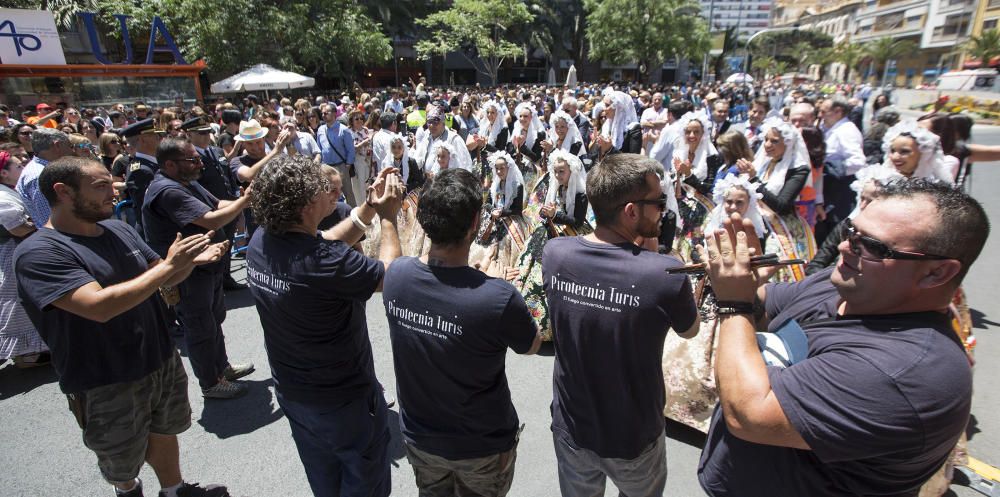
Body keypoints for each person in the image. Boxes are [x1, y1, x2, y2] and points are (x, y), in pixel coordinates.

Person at [697, 178, 983, 497]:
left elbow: (748, 414)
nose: (845, 246)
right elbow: (763, 311)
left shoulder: (904, 371)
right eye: (851, 231)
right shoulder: (848, 283)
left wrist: (733, 303)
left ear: (937, 272)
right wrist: (744, 290)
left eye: (872, 245)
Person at [14, 156, 232, 497]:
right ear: (63, 193)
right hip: (106, 377)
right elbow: (99, 307)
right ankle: (128, 491)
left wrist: (188, 263)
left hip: (159, 358)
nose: (113, 192)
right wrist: (169, 267)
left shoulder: (118, 228)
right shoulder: (39, 252)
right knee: (121, 455)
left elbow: (163, 276)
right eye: (100, 186)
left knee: (164, 429)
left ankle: (173, 490)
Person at [246, 154, 405, 497]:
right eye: (323, 190)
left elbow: (324, 242)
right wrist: (390, 218)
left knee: (325, 482)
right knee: (364, 483)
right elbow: (391, 276)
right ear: (306, 205)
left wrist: (368, 210)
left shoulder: (262, 240)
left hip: (295, 393)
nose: (330, 194)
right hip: (343, 400)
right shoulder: (327, 265)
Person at [544, 153, 699, 497]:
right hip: (634, 438)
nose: (665, 210)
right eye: (659, 202)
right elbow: (690, 330)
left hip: (572, 428)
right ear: (631, 211)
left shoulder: (555, 253)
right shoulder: (666, 275)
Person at [383, 168, 541, 496]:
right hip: (481, 447)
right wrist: (500, 287)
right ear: (475, 223)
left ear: (423, 220)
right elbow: (531, 345)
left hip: (420, 439)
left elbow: (395, 261)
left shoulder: (396, 277)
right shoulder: (497, 297)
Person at [142, 138, 255, 399]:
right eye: (192, 159)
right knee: (200, 326)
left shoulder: (185, 182)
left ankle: (221, 368)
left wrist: (246, 202)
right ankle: (211, 382)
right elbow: (209, 219)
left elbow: (216, 205)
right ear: (169, 164)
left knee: (213, 319)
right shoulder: (167, 190)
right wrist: (244, 201)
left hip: (207, 266)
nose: (200, 162)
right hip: (188, 271)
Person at [663, 174, 768, 432]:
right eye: (729, 201)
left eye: (739, 202)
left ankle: (712, 414)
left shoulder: (754, 235)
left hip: (734, 297)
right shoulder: (713, 226)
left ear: (749, 204)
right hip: (706, 292)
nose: (732, 207)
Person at [0, 151, 48, 368]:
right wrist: (37, 228)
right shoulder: (2, 198)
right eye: (18, 167)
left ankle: (31, 352)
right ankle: (28, 354)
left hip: (16, 250)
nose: (23, 168)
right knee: (17, 303)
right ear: (4, 173)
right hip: (11, 253)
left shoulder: (8, 192)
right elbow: (19, 228)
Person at [818, 97, 866, 230]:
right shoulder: (831, 128)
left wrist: (827, 167)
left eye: (823, 112)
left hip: (838, 193)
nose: (820, 115)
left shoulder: (847, 131)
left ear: (838, 111)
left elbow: (857, 161)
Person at [16, 128, 73, 226]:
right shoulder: (39, 176)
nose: (71, 151)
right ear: (57, 145)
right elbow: (48, 219)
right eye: (69, 146)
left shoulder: (45, 170)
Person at [316, 104, 358, 205]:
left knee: (348, 193)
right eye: (322, 113)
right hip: (326, 167)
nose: (324, 115)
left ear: (334, 114)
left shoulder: (343, 130)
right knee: (329, 193)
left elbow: (350, 150)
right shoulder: (321, 129)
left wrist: (347, 165)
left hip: (341, 166)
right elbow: (319, 149)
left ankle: (353, 214)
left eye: (326, 113)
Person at [414, 105, 472, 174]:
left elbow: (465, 167)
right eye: (429, 122)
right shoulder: (427, 137)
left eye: (436, 121)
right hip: (428, 181)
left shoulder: (454, 139)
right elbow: (417, 159)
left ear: (443, 123)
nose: (432, 125)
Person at [347, 110, 374, 204]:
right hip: (357, 161)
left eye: (361, 118)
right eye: (356, 119)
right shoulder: (349, 132)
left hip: (368, 160)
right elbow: (353, 148)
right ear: (352, 121)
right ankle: (361, 205)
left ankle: (367, 203)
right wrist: (364, 143)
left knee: (367, 183)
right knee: (359, 186)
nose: (359, 120)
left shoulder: (366, 130)